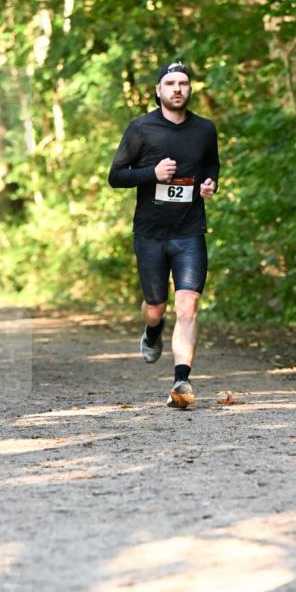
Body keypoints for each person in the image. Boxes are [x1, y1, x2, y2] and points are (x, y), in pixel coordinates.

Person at [108, 62, 220, 409]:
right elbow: (116, 176)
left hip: (189, 231)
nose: (177, 89)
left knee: (188, 305)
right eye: (170, 83)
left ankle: (181, 380)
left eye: (183, 83)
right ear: (158, 90)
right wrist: (151, 173)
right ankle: (152, 330)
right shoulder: (141, 129)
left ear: (190, 90)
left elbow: (212, 164)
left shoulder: (204, 129)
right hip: (151, 233)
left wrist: (210, 184)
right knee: (156, 307)